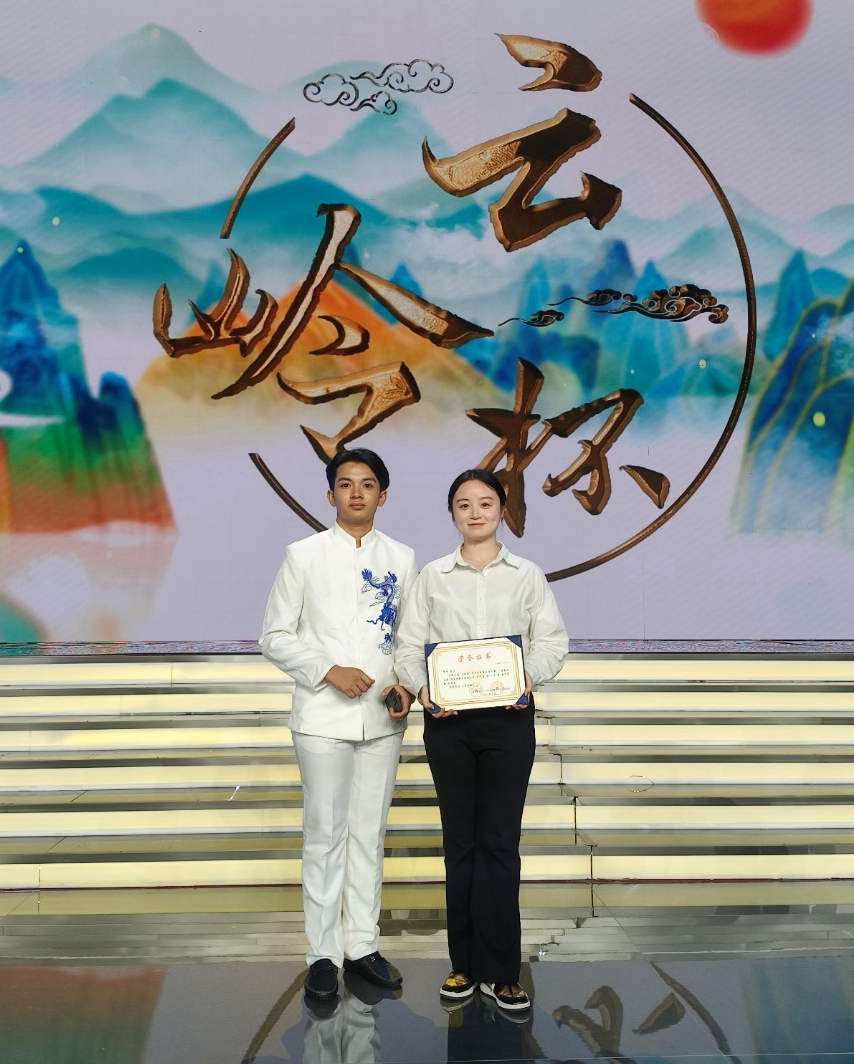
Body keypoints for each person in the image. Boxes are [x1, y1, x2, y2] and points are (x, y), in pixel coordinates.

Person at [395, 469, 568, 1012]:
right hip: (448, 722)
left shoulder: (527, 574)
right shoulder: (432, 576)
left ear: (501, 510)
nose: (475, 512)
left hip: (508, 721)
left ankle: (502, 971)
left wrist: (528, 677)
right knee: (460, 844)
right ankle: (463, 966)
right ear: (452, 513)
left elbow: (552, 642)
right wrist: (424, 689)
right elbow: (408, 646)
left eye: (486, 502)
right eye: (464, 504)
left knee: (498, 842)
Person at [259, 448, 417, 1002]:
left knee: (369, 835)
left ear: (382, 496)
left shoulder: (403, 558)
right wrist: (328, 670)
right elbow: (274, 635)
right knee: (325, 836)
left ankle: (362, 946)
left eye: (367, 484)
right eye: (346, 484)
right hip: (322, 717)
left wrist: (407, 686)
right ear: (330, 495)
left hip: (382, 719)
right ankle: (323, 955)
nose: (356, 493)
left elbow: (409, 638)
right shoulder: (302, 555)